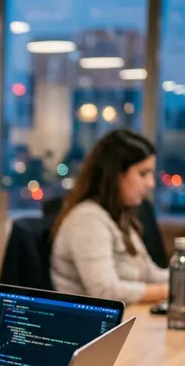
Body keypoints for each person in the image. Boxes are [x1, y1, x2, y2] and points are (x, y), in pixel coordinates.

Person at [51, 129, 168, 304]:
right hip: (90, 327)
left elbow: (150, 274)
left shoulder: (117, 215)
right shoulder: (87, 220)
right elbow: (105, 292)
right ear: (115, 175)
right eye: (143, 173)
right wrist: (166, 291)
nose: (151, 183)